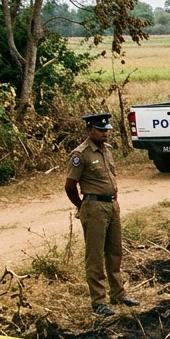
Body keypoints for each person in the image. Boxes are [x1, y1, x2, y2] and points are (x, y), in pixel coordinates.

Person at [64, 114, 138, 316]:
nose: (105, 133)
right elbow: (70, 186)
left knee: (115, 253)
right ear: (89, 130)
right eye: (101, 130)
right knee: (95, 256)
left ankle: (118, 294)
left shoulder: (107, 151)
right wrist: (83, 206)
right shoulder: (81, 154)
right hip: (94, 207)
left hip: (111, 206)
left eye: (107, 130)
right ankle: (98, 301)